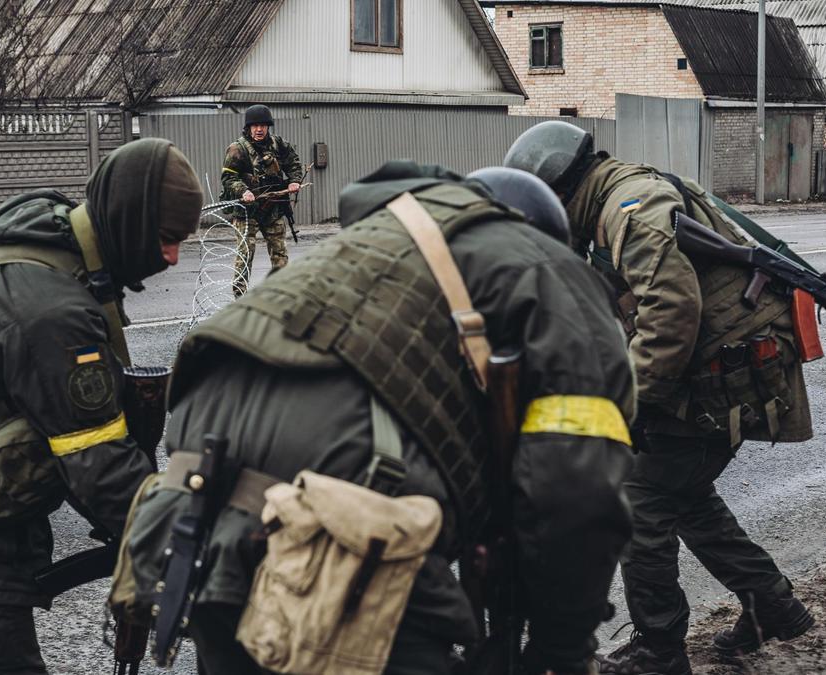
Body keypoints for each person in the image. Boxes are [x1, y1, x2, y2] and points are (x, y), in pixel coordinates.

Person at [158, 161, 636, 674]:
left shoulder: (371, 242)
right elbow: (575, 493)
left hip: (191, 474)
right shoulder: (546, 267)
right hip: (336, 501)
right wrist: (561, 650)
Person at [0, 138, 203, 674]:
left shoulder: (52, 244)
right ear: (127, 219)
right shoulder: (52, 312)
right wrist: (191, 548)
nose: (171, 256)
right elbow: (97, 462)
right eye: (167, 239)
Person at [505, 121, 815, 675]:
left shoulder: (629, 209)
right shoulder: (612, 203)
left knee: (638, 506)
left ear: (560, 192)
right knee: (683, 494)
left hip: (730, 368)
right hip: (718, 361)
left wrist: (632, 405)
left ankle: (660, 651)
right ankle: (772, 603)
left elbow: (670, 314)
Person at [221, 104, 304, 297]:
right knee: (245, 254)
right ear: (249, 127)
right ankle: (239, 297)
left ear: (268, 126)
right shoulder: (237, 149)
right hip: (247, 211)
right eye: (255, 125)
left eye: (263, 125)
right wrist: (243, 191)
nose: (259, 129)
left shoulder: (279, 144)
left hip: (273, 209)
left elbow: (294, 163)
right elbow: (228, 178)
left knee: (279, 252)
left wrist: (294, 181)